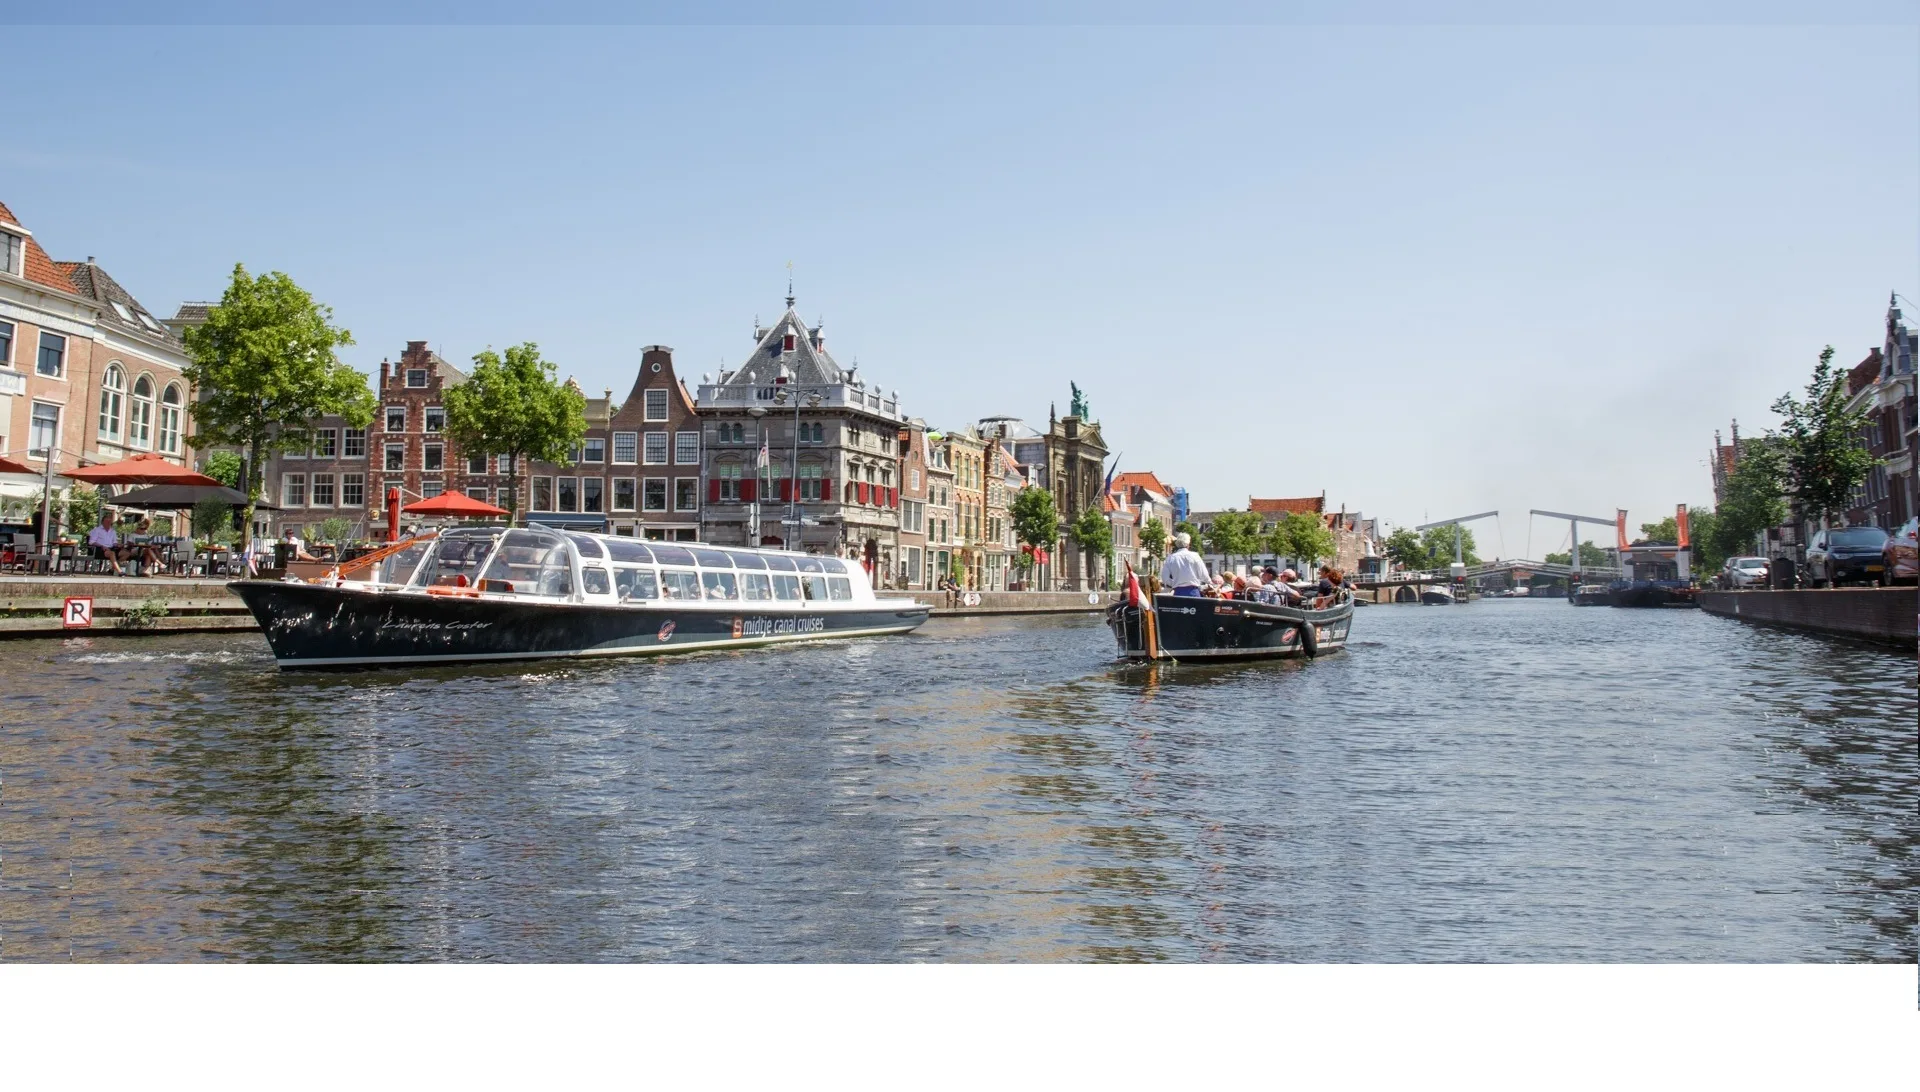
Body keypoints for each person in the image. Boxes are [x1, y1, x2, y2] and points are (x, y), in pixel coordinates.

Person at [1160, 532, 1209, 597]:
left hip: (1178, 592)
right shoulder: (1195, 556)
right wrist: (1210, 583)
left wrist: (1175, 583)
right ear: (1188, 544)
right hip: (1193, 592)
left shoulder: (1170, 558)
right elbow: (1204, 575)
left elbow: (1165, 578)